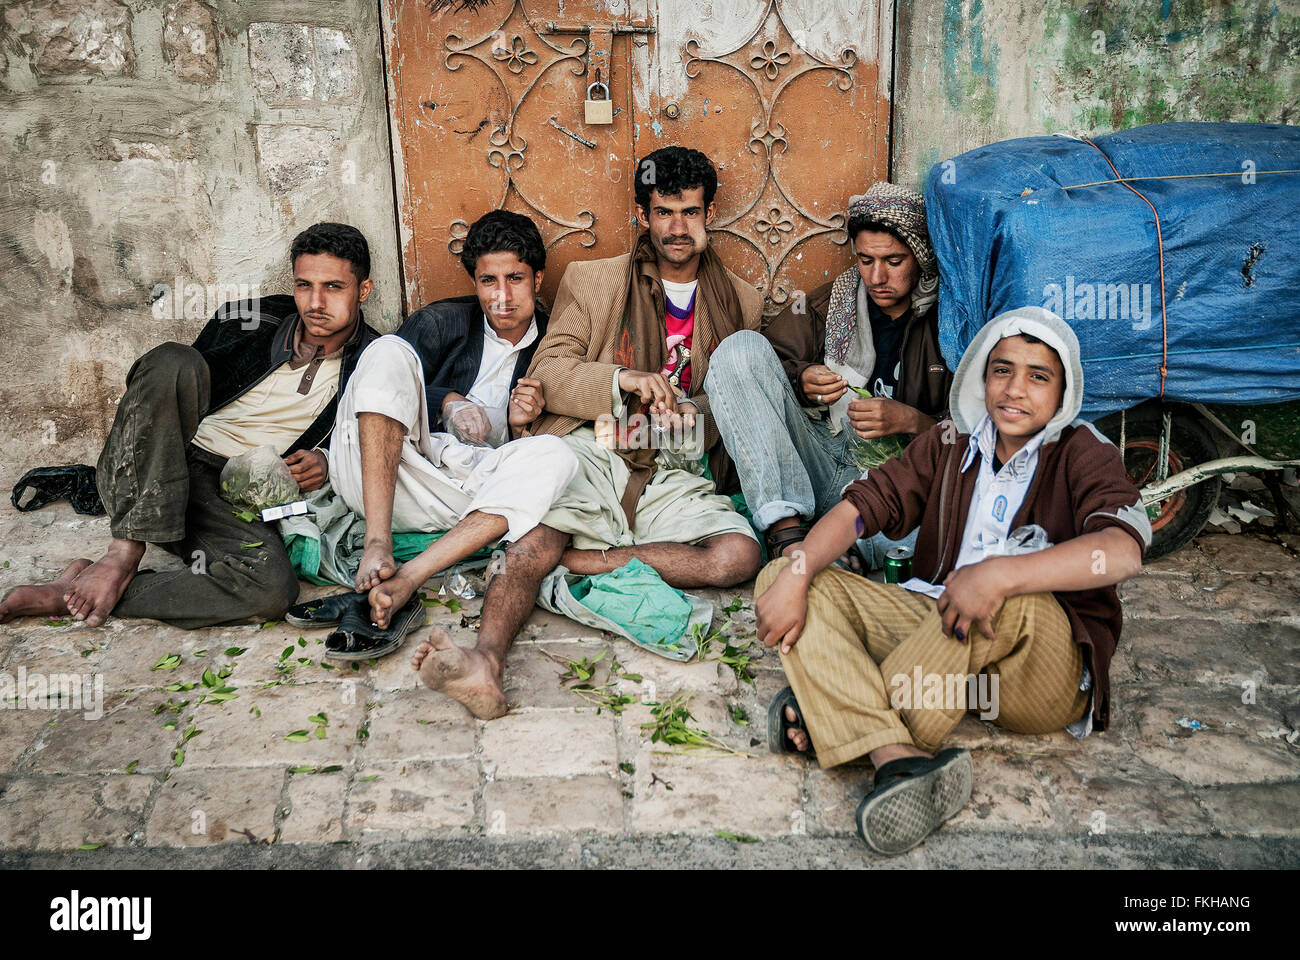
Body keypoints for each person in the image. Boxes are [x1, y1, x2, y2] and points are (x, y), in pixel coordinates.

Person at [755, 306, 1151, 855]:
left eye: (1039, 376)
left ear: (1062, 392)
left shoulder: (1084, 452)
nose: (1016, 389)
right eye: (1002, 370)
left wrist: (1002, 573)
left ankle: (834, 712)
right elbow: (862, 509)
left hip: (1038, 672)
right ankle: (896, 757)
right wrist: (798, 572)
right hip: (944, 635)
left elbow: (1123, 552)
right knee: (787, 571)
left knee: (1010, 594)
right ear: (982, 378)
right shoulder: (951, 441)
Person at [0, 222, 380, 628]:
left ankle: (75, 593)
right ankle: (122, 552)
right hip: (165, 462)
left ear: (364, 290)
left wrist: (329, 460)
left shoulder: (375, 361)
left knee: (270, 589)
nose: (316, 302)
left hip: (237, 492)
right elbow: (163, 394)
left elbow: (387, 442)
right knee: (173, 360)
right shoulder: (251, 320)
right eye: (304, 285)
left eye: (334, 287)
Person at [318, 210, 577, 719]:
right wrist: (447, 401)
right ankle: (377, 545)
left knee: (556, 455)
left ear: (538, 279)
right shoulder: (441, 321)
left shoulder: (557, 342)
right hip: (393, 475)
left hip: (471, 498)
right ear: (474, 282)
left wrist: (524, 423)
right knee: (387, 348)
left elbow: (564, 433)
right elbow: (374, 387)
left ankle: (408, 576)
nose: (502, 296)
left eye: (516, 279)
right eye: (488, 281)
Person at [523, 146, 765, 589]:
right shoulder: (591, 280)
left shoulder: (742, 301)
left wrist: (693, 411)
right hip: (597, 446)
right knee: (537, 533)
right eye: (663, 213)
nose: (677, 228)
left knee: (739, 556)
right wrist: (624, 379)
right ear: (642, 214)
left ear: (709, 212)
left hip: (678, 464)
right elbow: (549, 373)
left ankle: (582, 561)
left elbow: (737, 401)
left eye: (690, 212)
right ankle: (590, 554)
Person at [707, 182, 951, 567]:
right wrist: (802, 381)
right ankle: (786, 534)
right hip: (818, 463)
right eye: (866, 260)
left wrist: (913, 421)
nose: (877, 277)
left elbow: (980, 434)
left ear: (919, 257)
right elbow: (767, 363)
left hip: (896, 481)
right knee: (737, 350)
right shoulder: (829, 302)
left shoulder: (949, 322)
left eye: (893, 261)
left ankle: (844, 549)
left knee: (940, 542)